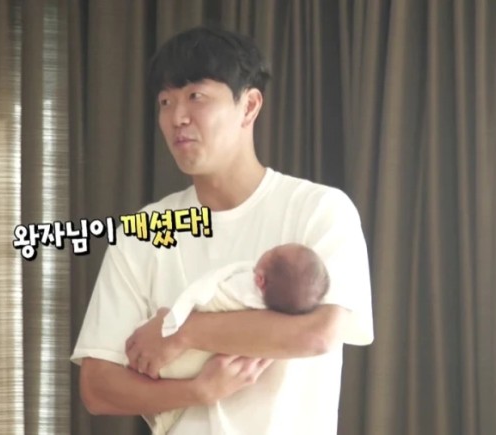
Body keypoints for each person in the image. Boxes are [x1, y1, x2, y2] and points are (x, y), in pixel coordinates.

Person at [71, 25, 374, 435]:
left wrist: (181, 333)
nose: (177, 117)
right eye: (165, 102)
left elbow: (319, 333)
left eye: (196, 96)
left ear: (249, 106)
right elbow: (97, 386)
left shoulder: (319, 209)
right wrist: (197, 391)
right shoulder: (144, 231)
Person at [144, 243, 331, 435]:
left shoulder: (241, 290)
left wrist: (176, 321)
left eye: (274, 251)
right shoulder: (281, 325)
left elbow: (209, 298)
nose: (269, 248)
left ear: (260, 280)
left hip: (171, 362)